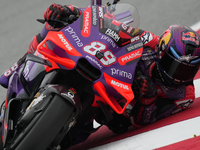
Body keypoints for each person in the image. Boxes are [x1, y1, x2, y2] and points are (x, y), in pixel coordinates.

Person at [1, 2, 200, 148]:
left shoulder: (184, 95)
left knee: (76, 136)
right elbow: (110, 25)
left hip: (116, 111)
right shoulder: (152, 43)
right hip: (103, 74)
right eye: (176, 67)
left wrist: (148, 100)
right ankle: (16, 69)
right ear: (162, 51)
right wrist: (70, 12)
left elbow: (143, 122)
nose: (178, 77)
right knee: (52, 26)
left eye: (188, 71)